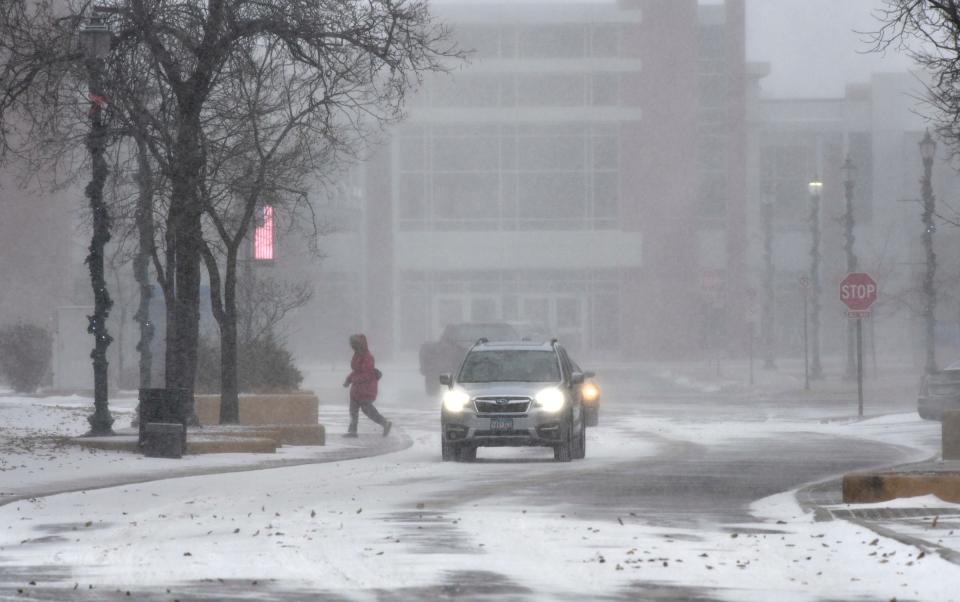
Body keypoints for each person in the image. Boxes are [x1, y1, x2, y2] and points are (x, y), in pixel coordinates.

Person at [343, 334, 392, 437]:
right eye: (353, 344)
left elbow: (366, 374)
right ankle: (352, 431)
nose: (353, 346)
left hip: (366, 388)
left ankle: (385, 423)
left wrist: (353, 379)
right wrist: (349, 379)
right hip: (357, 388)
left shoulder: (367, 357)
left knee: (367, 410)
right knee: (353, 410)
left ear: (361, 344)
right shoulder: (357, 355)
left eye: (355, 344)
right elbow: (356, 371)